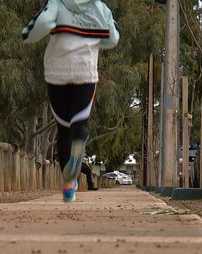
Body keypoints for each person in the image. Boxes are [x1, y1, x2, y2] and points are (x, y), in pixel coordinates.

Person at [22, 0, 120, 202]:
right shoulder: (99, 7)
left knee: (63, 128)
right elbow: (113, 39)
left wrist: (27, 34)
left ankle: (68, 185)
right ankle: (80, 137)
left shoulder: (57, 3)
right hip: (85, 71)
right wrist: (94, 40)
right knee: (78, 123)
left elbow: (41, 25)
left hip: (56, 72)